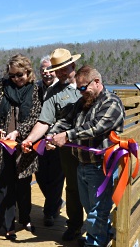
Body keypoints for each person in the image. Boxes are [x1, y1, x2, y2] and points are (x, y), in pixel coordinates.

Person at [47, 65, 125, 247]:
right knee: (91, 208)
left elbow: (96, 127)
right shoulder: (82, 103)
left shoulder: (111, 102)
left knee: (98, 210)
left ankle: (94, 242)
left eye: (84, 87)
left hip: (101, 167)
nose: (81, 92)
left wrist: (67, 136)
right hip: (81, 165)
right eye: (78, 88)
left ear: (97, 82)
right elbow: (65, 121)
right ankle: (103, 235)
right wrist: (51, 136)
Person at [22, 48, 84, 241]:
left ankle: (98, 231)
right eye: (57, 70)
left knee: (92, 190)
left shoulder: (88, 81)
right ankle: (73, 226)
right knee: (72, 189)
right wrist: (30, 139)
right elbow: (43, 121)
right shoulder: (53, 93)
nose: (60, 73)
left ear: (72, 65)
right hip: (64, 149)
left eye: (63, 69)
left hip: (91, 149)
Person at [0, 54, 42, 241]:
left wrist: (18, 132)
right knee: (2, 185)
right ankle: (7, 225)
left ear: (28, 72)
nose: (15, 79)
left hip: (23, 146)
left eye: (19, 75)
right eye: (12, 75)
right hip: (0, 147)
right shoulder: (0, 86)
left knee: (23, 185)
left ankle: (25, 218)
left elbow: (35, 117)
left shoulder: (35, 89)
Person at [35, 55, 65, 227]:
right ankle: (56, 201)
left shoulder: (63, 89)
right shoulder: (35, 88)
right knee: (39, 175)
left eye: (50, 69)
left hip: (56, 139)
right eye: (43, 70)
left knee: (56, 176)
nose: (46, 73)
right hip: (38, 139)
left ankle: (49, 213)